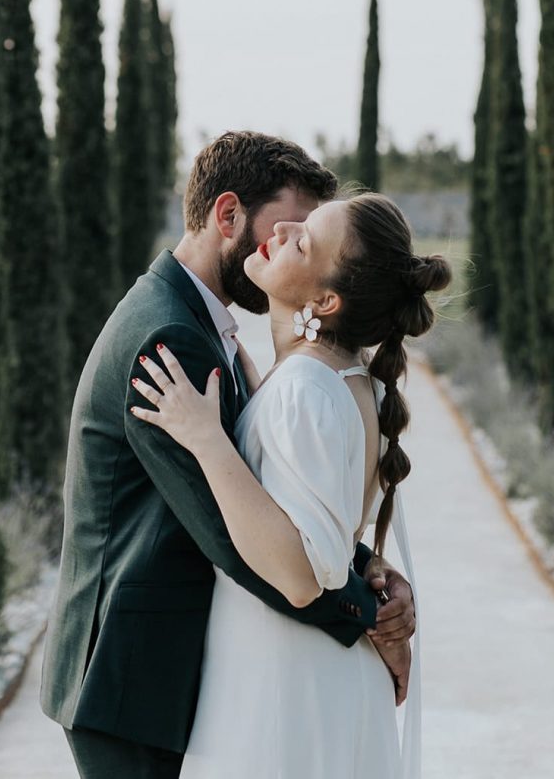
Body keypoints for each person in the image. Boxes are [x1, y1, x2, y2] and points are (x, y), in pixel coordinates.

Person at [40, 132, 419, 779]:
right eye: (288, 222)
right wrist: (365, 615)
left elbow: (275, 501)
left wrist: (368, 572)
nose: (287, 237)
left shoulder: (203, 325)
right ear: (228, 215)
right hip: (130, 677)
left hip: (162, 673)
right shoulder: (169, 336)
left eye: (304, 233)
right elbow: (230, 538)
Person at [130, 191, 451, 778]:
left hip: (286, 687)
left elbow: (303, 576)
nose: (281, 231)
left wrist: (207, 440)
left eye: (303, 238)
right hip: (316, 676)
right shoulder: (339, 377)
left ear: (325, 300)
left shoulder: (306, 387)